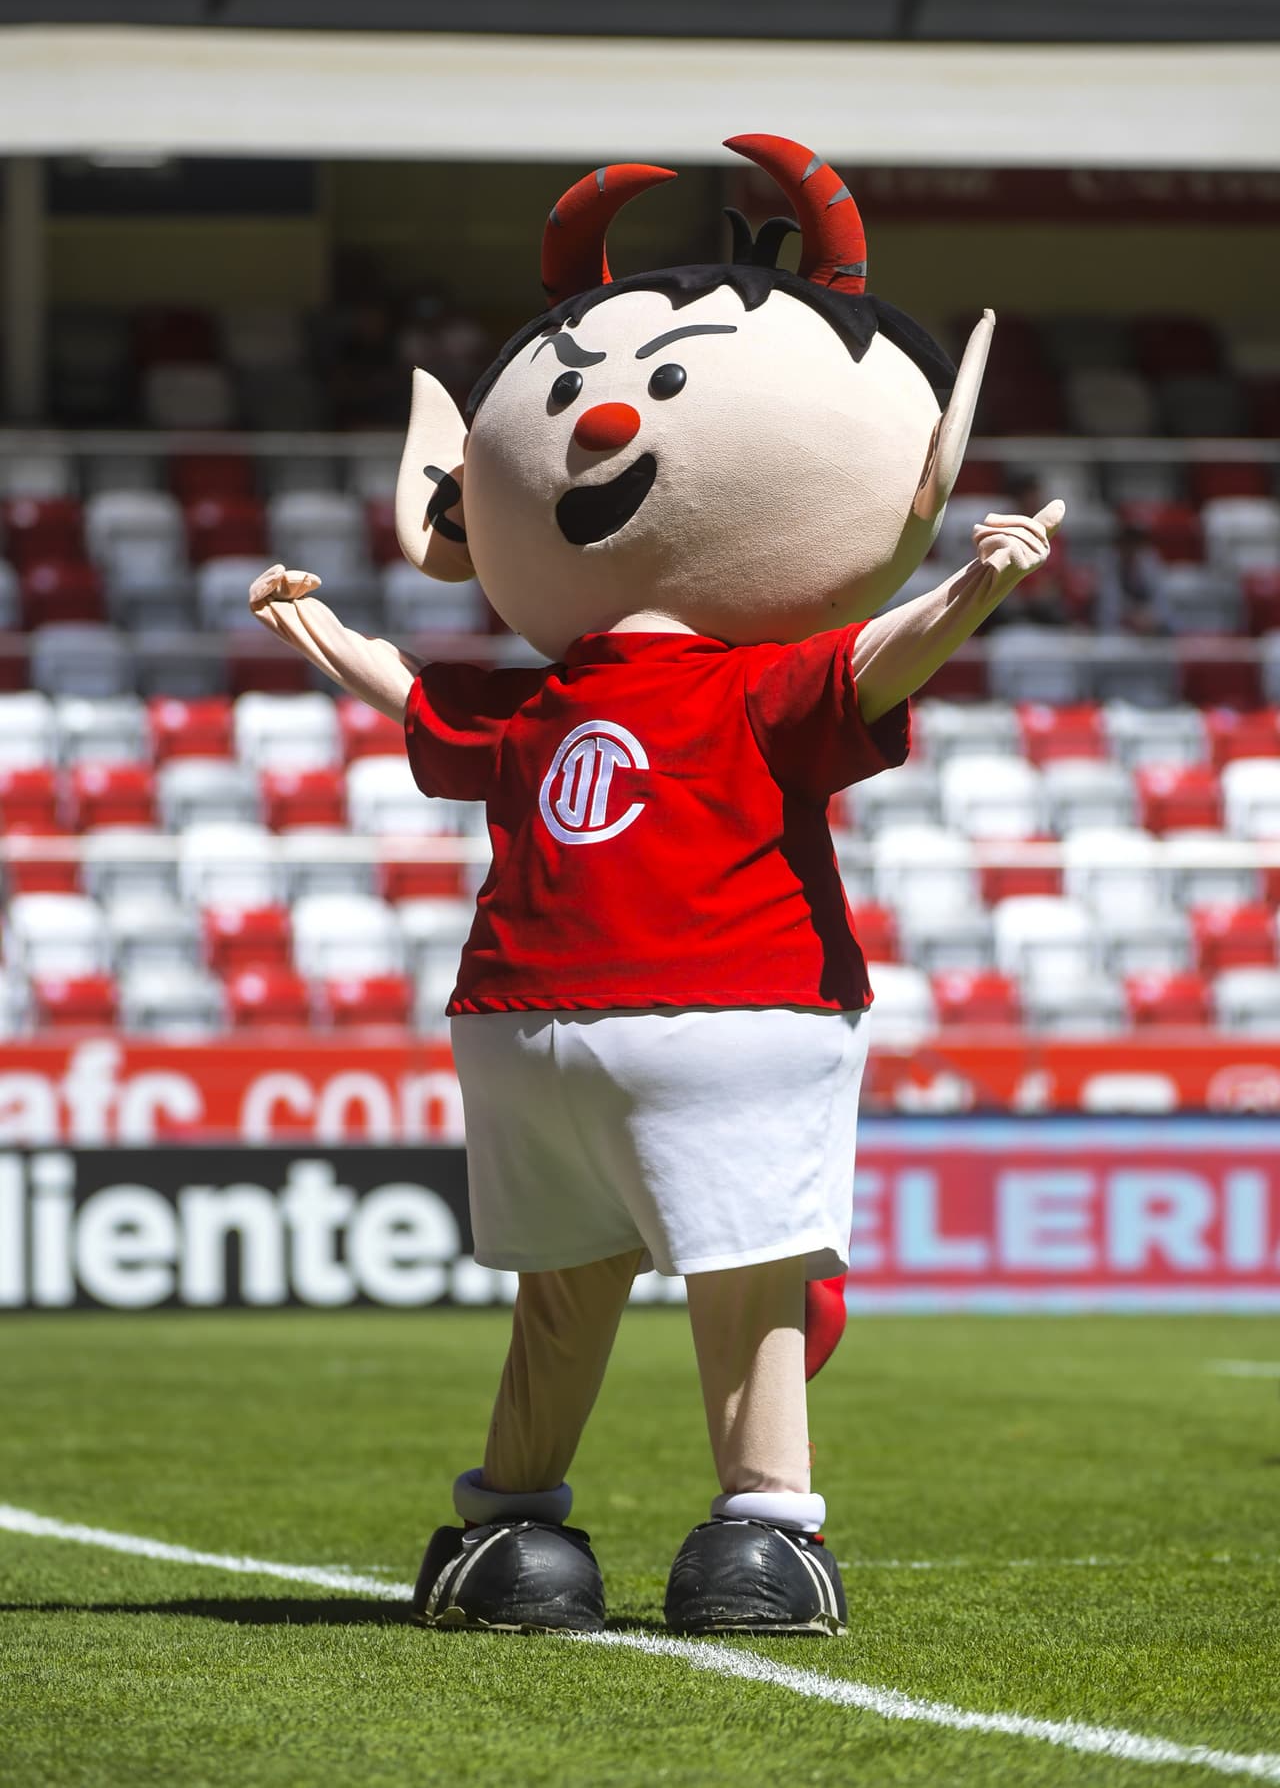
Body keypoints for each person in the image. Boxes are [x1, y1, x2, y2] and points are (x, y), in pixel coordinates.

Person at [251, 132, 1065, 1638]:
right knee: (744, 1281)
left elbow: (404, 693)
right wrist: (976, 585)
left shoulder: (569, 694)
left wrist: (310, 629)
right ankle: (762, 1533)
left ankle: (507, 1536)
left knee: (561, 1294)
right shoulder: (722, 688)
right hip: (727, 996)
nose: (611, 411)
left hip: (526, 1018)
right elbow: (880, 658)